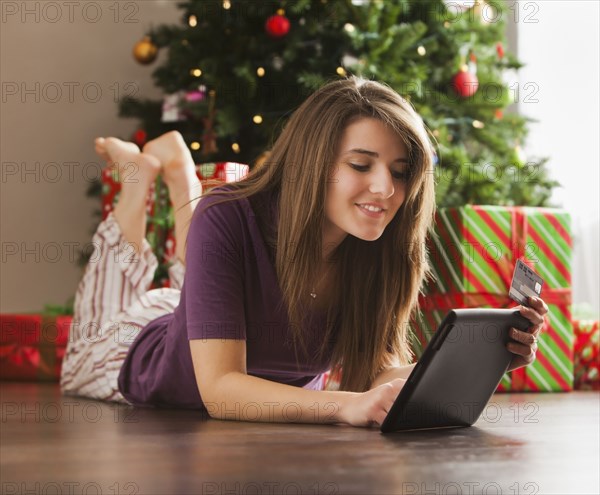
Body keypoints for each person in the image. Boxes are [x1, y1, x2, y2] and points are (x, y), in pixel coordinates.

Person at [60, 76, 548, 427]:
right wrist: (342, 406)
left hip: (204, 321)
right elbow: (220, 389)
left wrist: (483, 357)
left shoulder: (371, 246)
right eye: (362, 164)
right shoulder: (229, 215)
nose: (385, 188)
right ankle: (137, 177)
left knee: (200, 263)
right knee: (90, 333)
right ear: (314, 163)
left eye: (400, 172)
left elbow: (374, 372)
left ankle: (178, 173)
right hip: (131, 346)